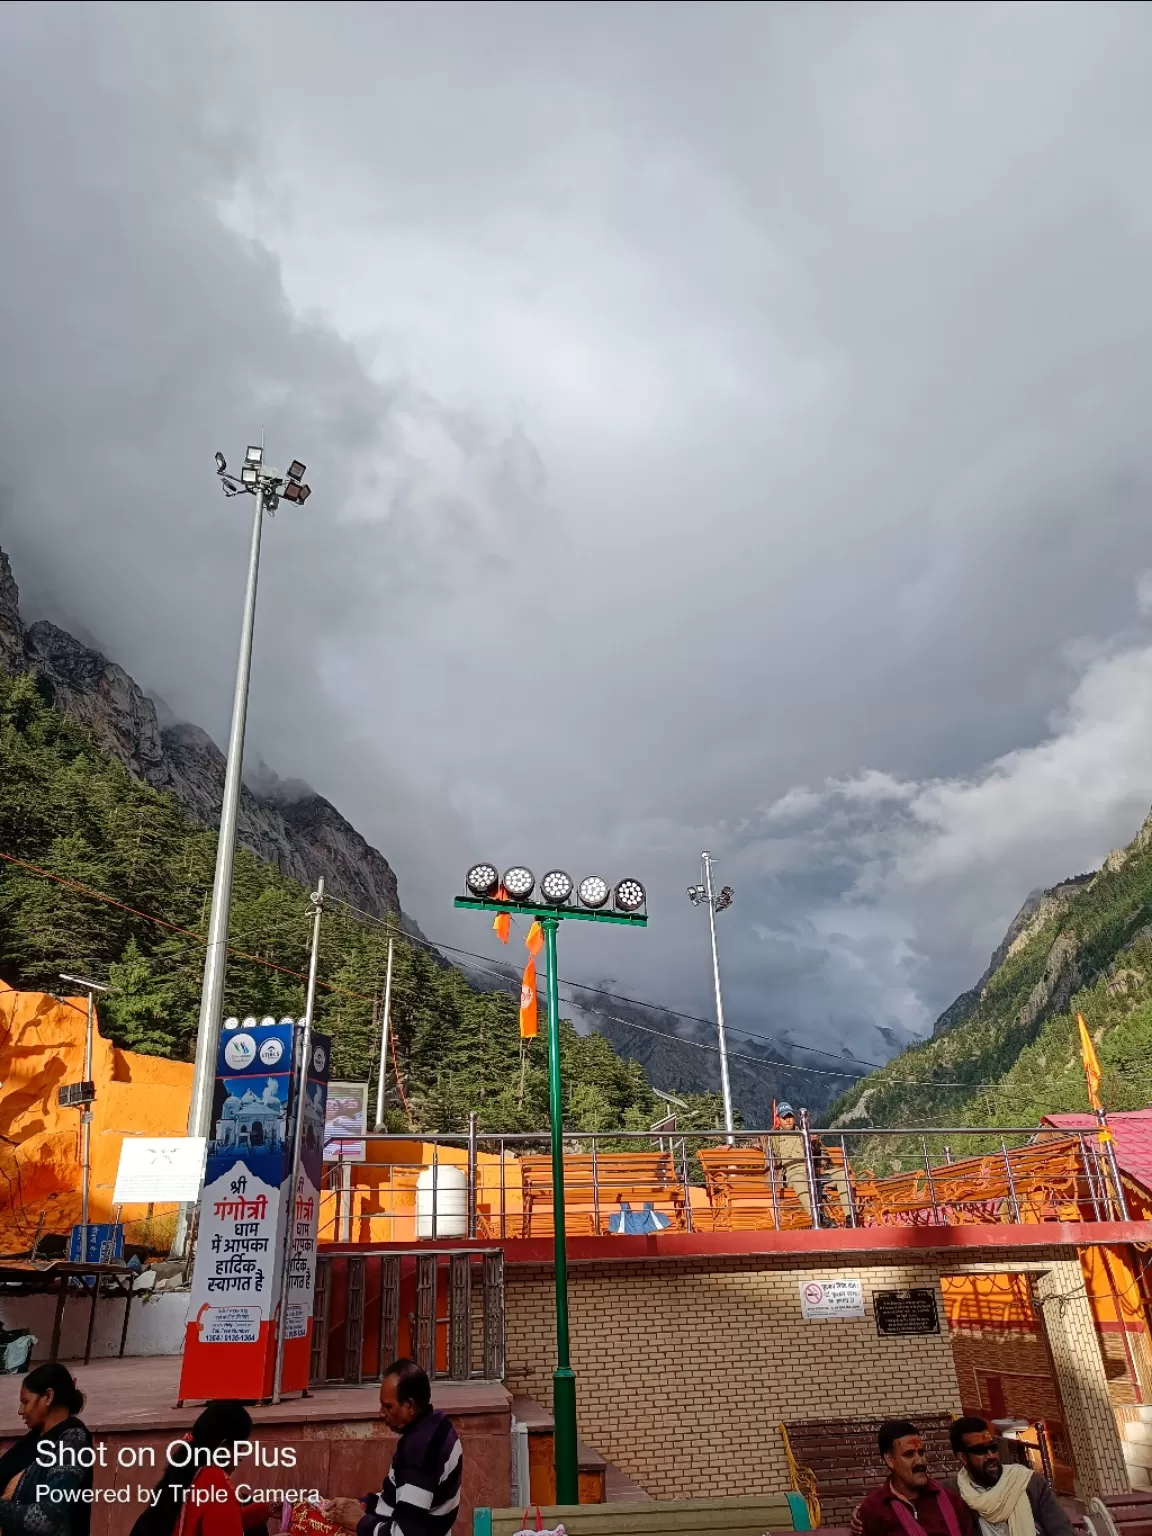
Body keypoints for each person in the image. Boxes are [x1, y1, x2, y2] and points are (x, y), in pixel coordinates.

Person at [326, 1360, 462, 1536]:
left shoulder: (420, 1452)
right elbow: (399, 1498)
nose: (381, 1413)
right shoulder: (440, 1427)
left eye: (388, 1406)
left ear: (410, 1407)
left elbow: (404, 1533)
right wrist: (362, 1504)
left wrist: (360, 1522)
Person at [130, 1400, 267, 1536]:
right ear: (223, 1448)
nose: (241, 1457)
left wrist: (265, 1510)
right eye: (240, 1449)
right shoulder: (215, 1481)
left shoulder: (186, 1473)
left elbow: (215, 1521)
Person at [0, 1363, 94, 1536]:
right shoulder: (32, 1442)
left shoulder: (73, 1443)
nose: (21, 1411)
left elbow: (47, 1518)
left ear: (48, 1397)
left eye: (25, 1402)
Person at [949, 1417, 1073, 1536]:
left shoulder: (1027, 1482)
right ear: (963, 1458)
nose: (991, 1456)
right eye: (980, 1450)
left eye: (993, 1447)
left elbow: (1062, 1530)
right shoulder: (953, 1495)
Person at [858, 1420, 974, 1536]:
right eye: (909, 1455)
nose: (920, 1461)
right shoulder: (874, 1508)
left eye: (921, 1453)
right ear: (890, 1460)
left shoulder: (952, 1500)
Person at [766, 1103, 852, 1226]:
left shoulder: (805, 1132)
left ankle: (850, 1216)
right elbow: (757, 1143)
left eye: (790, 1116)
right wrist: (732, 1145)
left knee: (842, 1174)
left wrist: (815, 1144)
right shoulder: (773, 1136)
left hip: (814, 1172)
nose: (788, 1120)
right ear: (779, 1119)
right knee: (799, 1180)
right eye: (784, 1117)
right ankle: (819, 1217)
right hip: (793, 1172)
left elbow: (822, 1156)